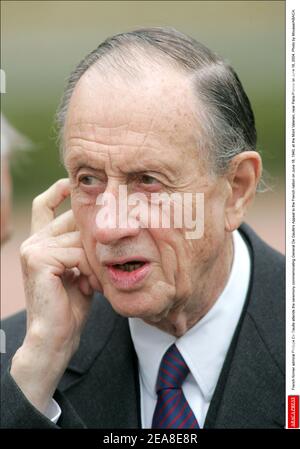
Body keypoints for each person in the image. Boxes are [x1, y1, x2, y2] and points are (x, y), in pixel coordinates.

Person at [0, 27, 284, 429]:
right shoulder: (17, 367)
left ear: (236, 190)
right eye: (88, 180)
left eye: (148, 181)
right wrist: (39, 369)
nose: (109, 226)